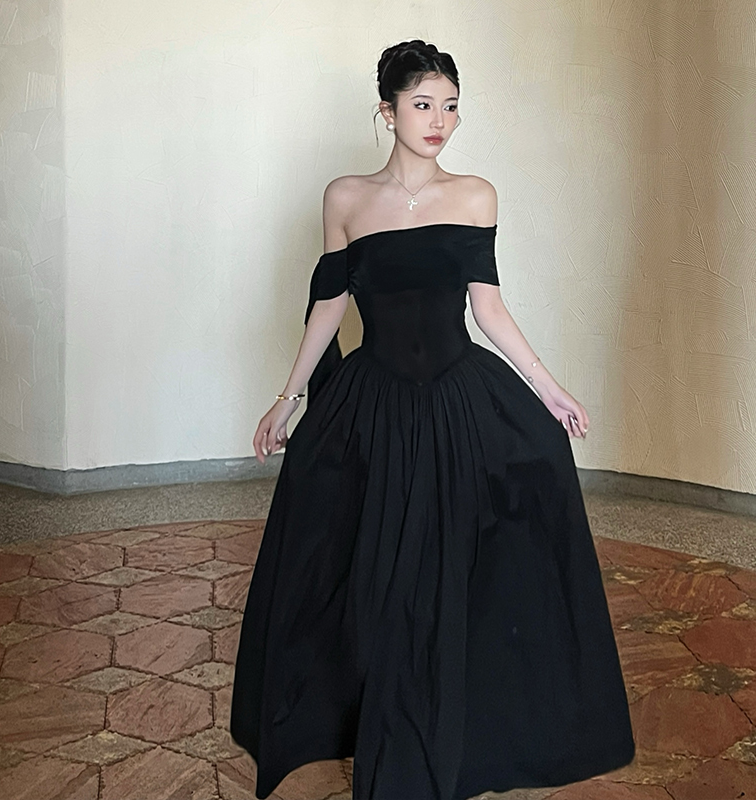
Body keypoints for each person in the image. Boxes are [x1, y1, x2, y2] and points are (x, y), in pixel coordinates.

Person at [229, 39, 635, 800]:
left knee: (469, 546)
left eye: (450, 106)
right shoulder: (346, 198)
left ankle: (468, 718)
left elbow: (489, 308)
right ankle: (361, 711)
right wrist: (287, 399)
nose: (439, 120)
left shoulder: (475, 195)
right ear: (387, 112)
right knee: (360, 559)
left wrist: (549, 389)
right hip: (374, 401)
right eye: (422, 105)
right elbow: (329, 305)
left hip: (457, 399)